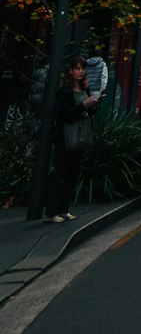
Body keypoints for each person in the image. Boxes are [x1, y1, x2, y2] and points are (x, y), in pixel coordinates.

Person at [44, 57, 98, 223]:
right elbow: (65, 115)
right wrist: (83, 105)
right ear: (70, 71)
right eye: (77, 68)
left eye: (82, 68)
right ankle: (51, 212)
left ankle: (64, 209)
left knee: (72, 174)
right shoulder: (65, 91)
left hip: (79, 137)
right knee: (60, 173)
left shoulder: (84, 90)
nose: (80, 71)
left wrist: (92, 107)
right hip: (65, 137)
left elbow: (87, 114)